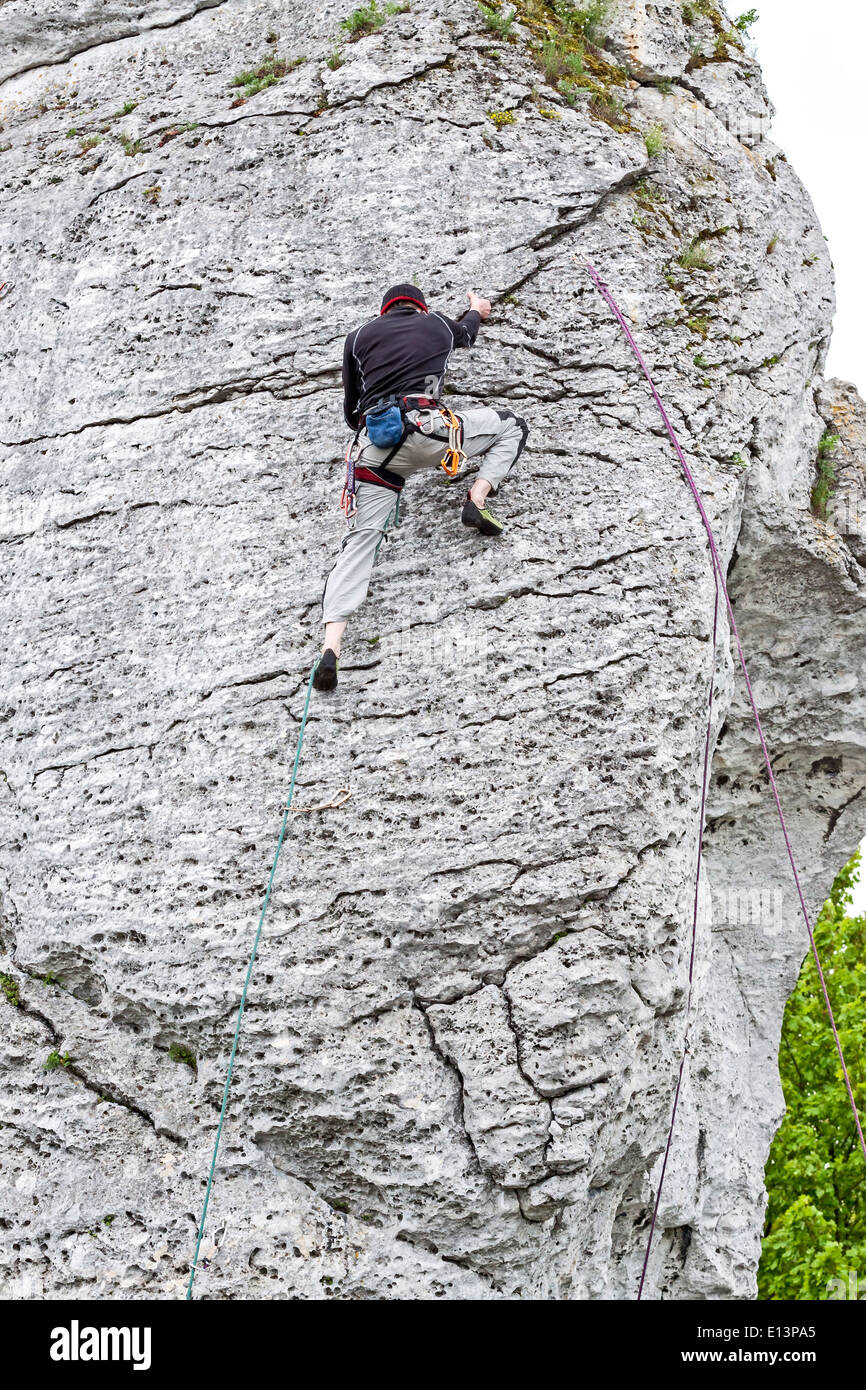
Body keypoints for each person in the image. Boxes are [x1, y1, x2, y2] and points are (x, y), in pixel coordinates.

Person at [315, 283, 528, 691]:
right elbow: (466, 332)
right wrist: (477, 309)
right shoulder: (435, 325)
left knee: (360, 543)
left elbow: (350, 410)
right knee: (512, 425)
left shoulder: (358, 337)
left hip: (376, 450)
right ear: (420, 307)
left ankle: (331, 647)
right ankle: (476, 498)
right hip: (432, 431)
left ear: (383, 312)